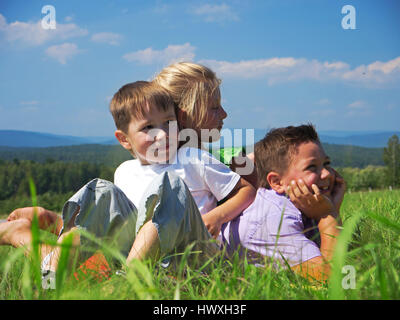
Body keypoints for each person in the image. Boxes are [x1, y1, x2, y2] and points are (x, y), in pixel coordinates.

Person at [0, 81, 256, 276]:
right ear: (124, 139)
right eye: (148, 127)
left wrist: (217, 216)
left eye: (168, 122)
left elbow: (246, 190)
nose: (163, 134)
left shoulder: (192, 158)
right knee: (99, 190)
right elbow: (122, 227)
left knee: (170, 185)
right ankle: (52, 276)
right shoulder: (125, 171)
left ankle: (129, 282)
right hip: (139, 256)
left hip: (193, 256)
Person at [221, 124, 346, 282]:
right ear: (277, 182)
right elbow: (332, 278)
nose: (327, 173)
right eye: (312, 167)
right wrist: (329, 216)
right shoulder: (274, 221)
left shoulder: (304, 204)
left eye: (326, 163)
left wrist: (329, 209)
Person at [153, 61, 258, 188]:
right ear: (184, 117)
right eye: (214, 107)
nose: (224, 114)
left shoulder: (153, 170)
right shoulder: (225, 162)